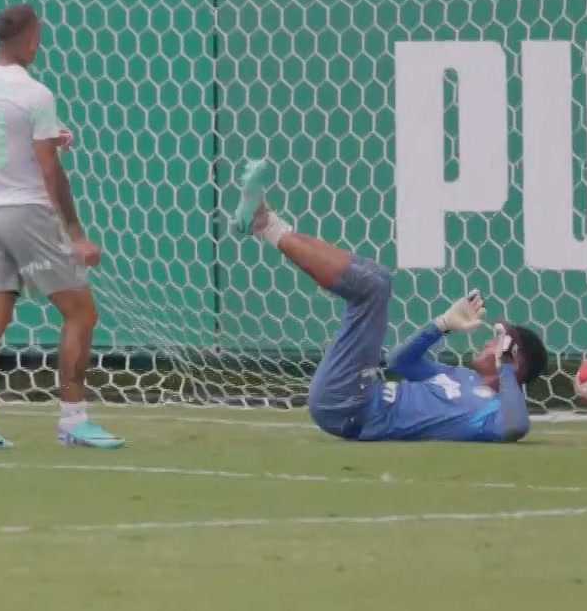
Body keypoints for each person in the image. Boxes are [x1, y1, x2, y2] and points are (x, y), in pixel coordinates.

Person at [231, 159, 548, 443]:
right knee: (379, 278)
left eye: (499, 342)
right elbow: (399, 362)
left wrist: (505, 370)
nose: (490, 344)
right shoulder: (462, 377)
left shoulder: (489, 411)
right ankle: (267, 222)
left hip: (352, 409)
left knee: (371, 291)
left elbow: (515, 428)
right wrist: (440, 326)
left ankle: (267, 225)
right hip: (360, 394)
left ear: (515, 359)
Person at [0, 4, 124, 450]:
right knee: (81, 312)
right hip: (28, 214)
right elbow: (51, 173)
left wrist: (39, 147)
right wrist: (75, 233)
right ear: (30, 39)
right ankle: (73, 420)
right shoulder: (35, 94)